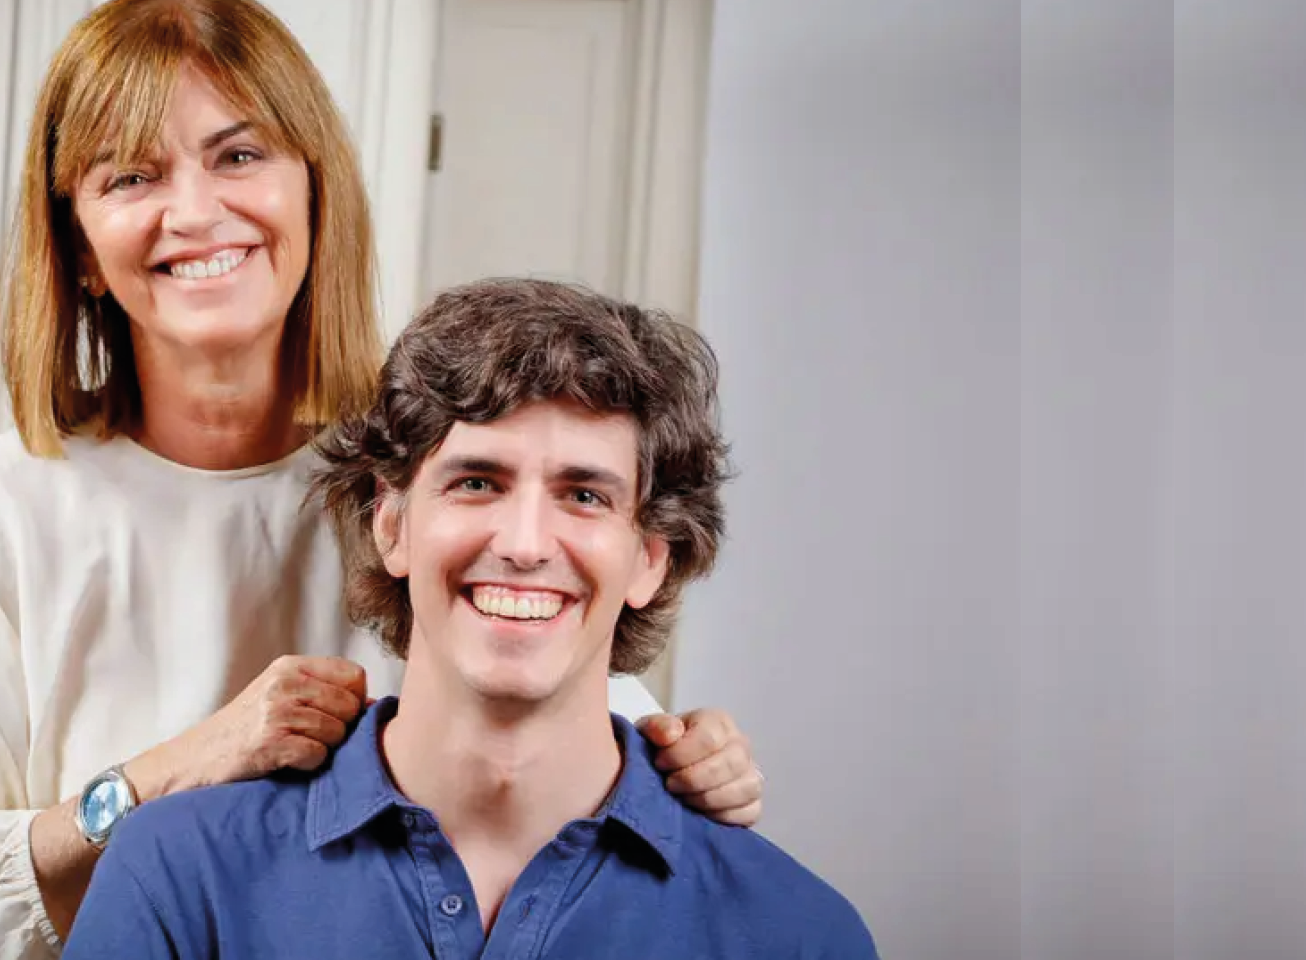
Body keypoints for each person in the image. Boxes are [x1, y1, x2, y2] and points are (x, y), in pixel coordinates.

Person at [0, 2, 766, 958]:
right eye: (132, 175)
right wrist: (173, 772)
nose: (197, 211)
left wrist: (686, 759)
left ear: (314, 192)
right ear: (80, 247)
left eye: (240, 157)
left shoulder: (425, 478)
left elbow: (559, 702)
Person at [61, 278, 879, 959]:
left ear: (650, 557)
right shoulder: (177, 876)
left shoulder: (800, 935)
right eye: (477, 482)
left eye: (584, 495)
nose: (524, 544)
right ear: (392, 524)